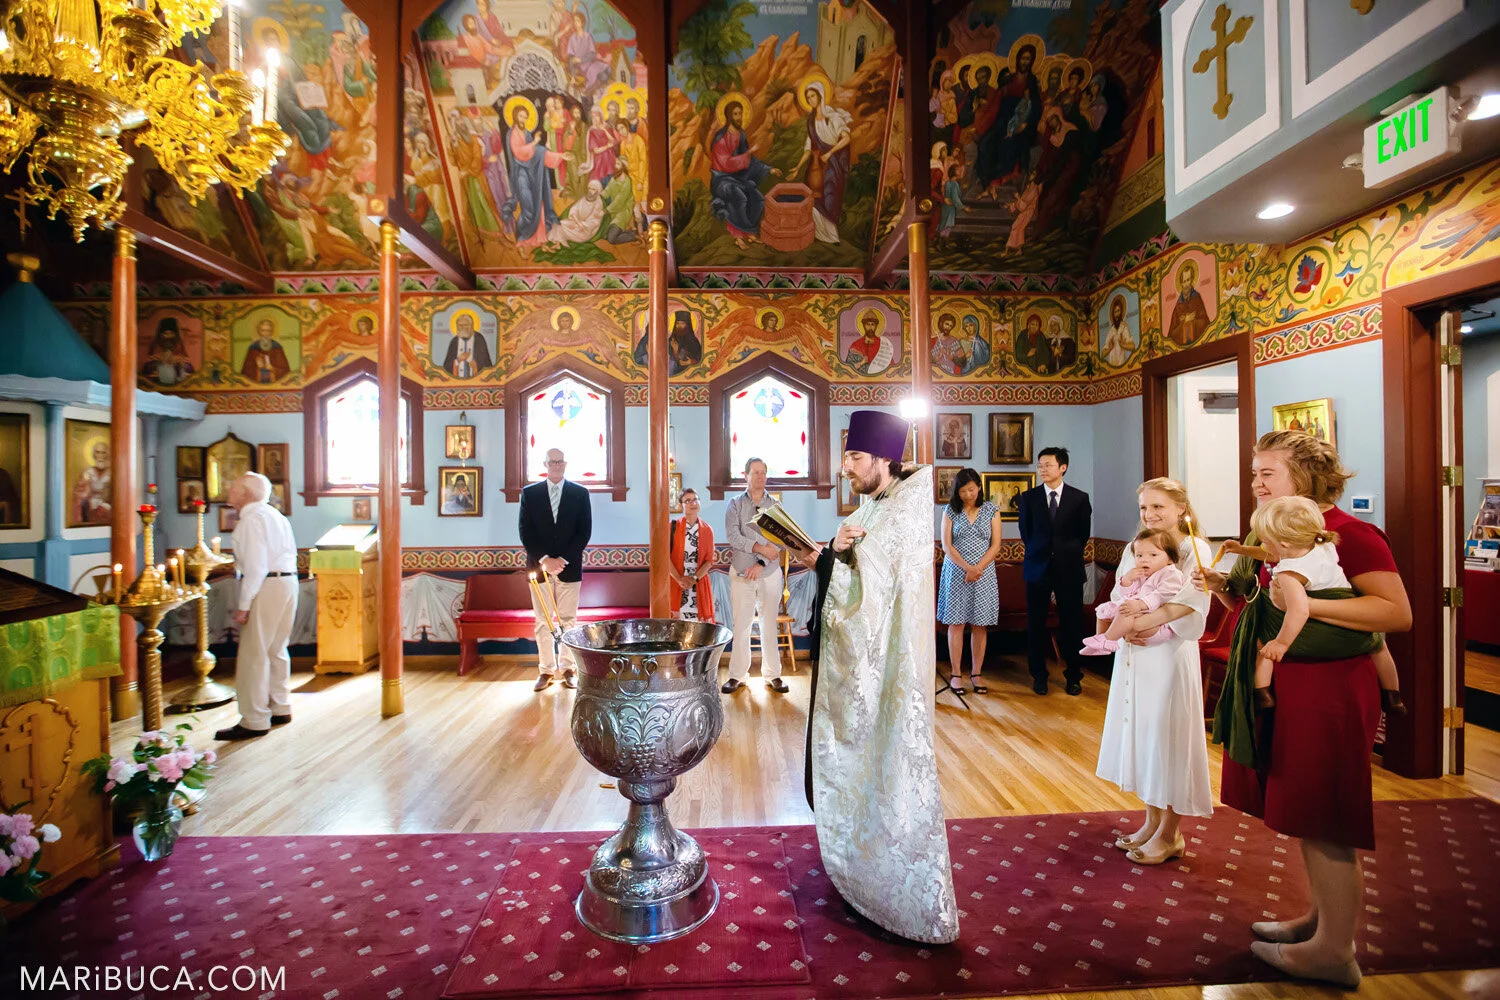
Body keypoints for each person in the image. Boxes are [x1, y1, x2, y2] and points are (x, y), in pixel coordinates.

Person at [1200, 431, 1412, 989]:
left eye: (1267, 473)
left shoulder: (1352, 534)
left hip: (1333, 691)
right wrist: (1222, 586)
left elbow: (1395, 614)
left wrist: (1301, 601)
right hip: (1293, 687)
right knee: (1306, 813)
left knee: (1326, 820)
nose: (1256, 484)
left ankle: (1335, 952)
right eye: (1254, 473)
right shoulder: (1276, 533)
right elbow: (1252, 604)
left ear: (1309, 477)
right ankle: (1321, 922)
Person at [800, 409, 960, 944]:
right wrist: (833, 555)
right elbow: (861, 570)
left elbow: (870, 602)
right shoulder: (878, 501)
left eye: (855, 457)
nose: (846, 467)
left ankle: (901, 888)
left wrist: (834, 559)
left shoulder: (903, 512)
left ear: (885, 459)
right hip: (877, 661)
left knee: (891, 763)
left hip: (890, 670)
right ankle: (866, 861)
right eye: (846, 455)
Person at [1094, 478, 1215, 863]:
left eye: (1159, 507)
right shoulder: (1138, 545)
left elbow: (1191, 602)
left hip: (1170, 652)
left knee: (1169, 737)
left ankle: (1170, 833)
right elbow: (1119, 591)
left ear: (1182, 508)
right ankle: (1150, 822)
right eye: (1145, 508)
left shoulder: (1196, 549)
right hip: (1136, 655)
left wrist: (1144, 623)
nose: (1150, 515)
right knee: (1145, 736)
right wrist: (1126, 619)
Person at [216, 473, 298, 741]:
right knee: (276, 648)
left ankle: (254, 719)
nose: (229, 488)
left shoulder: (251, 520)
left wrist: (244, 604)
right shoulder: (275, 515)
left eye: (234, 485)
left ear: (247, 493)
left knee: (254, 653)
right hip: (287, 582)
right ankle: (279, 706)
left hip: (266, 585)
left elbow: (255, 568)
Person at [1016, 447, 1091, 695]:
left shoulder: (1079, 498)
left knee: (1072, 624)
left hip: (1068, 568)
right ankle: (1039, 675)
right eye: (1040, 465)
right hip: (1037, 568)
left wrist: (1062, 553)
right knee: (1035, 624)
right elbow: (1027, 534)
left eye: (1048, 464)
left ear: (1063, 467)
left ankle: (1073, 676)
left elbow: (1082, 535)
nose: (1043, 469)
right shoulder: (1029, 498)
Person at [518, 448, 593, 692]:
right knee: (542, 621)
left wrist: (561, 559)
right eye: (553, 461)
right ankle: (546, 670)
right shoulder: (530, 494)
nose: (557, 465)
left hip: (569, 567)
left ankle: (568, 669)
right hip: (538, 568)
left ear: (566, 463)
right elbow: (525, 531)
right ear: (545, 463)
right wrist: (545, 560)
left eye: (561, 461)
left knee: (569, 621)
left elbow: (584, 532)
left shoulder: (580, 493)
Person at [722, 458, 789, 694]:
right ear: (746, 476)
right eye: (755, 472)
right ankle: (737, 676)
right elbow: (734, 536)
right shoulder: (735, 504)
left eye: (763, 472)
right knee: (741, 625)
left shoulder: (775, 506)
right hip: (741, 572)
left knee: (768, 623)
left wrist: (761, 562)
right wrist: (760, 549)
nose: (760, 477)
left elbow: (781, 540)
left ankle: (773, 675)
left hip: (769, 572)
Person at [937, 468, 1002, 693]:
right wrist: (967, 568)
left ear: (980, 488)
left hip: (984, 574)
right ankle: (956, 674)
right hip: (956, 572)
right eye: (963, 491)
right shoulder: (950, 511)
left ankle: (977, 673)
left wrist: (978, 568)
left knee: (979, 624)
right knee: (956, 624)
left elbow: (995, 545)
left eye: (972, 490)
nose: (968, 495)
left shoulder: (992, 510)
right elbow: (946, 545)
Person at [1080, 528, 1184, 655]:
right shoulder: (1141, 573)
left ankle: (1108, 640)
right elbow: (1125, 594)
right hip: (1137, 615)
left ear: (1170, 559)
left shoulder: (1171, 575)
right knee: (1103, 610)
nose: (1144, 560)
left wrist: (1139, 604)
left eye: (1153, 555)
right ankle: (1101, 642)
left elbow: (1162, 596)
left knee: (1126, 611)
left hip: (1156, 626)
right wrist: (1127, 580)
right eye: (1139, 555)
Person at [669, 488, 715, 623]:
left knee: (698, 630)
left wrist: (694, 579)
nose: (692, 503)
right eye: (687, 501)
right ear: (680, 505)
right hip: (676, 582)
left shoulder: (707, 530)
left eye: (695, 499)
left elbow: (709, 561)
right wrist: (679, 579)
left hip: (698, 583)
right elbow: (664, 558)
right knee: (676, 628)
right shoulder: (672, 527)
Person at [443, 311, 493, 378]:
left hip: (475, 382)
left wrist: (475, 364)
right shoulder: (454, 341)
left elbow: (486, 364)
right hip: (457, 381)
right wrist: (458, 360)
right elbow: (446, 367)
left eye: (465, 325)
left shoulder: (479, 339)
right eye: (460, 325)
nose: (462, 327)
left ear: (471, 325)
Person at [72, 441, 111, 525]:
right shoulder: (87, 473)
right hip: (90, 507)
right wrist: (85, 493)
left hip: (108, 508)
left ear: (107, 455)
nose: (100, 456)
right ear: (94, 455)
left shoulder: (113, 473)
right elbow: (79, 494)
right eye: (98, 452)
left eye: (103, 453)